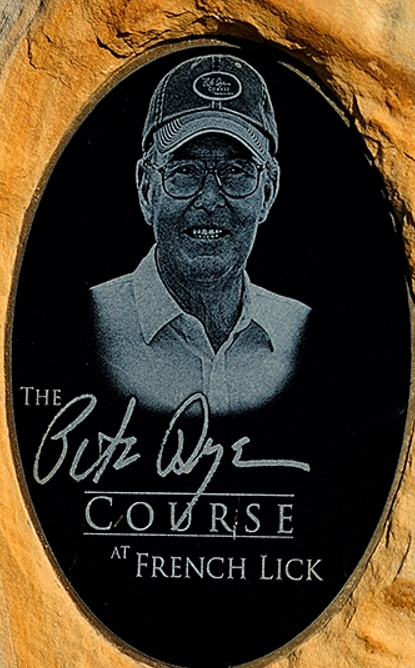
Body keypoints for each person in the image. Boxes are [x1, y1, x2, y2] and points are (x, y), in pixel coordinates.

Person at [91, 53, 309, 416]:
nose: (210, 199)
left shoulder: (301, 331)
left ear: (268, 192)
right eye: (185, 169)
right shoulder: (85, 324)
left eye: (237, 170)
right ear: (146, 189)